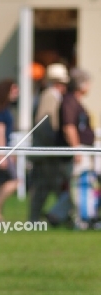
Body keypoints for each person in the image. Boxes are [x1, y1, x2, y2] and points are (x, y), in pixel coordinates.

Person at [48, 68, 96, 229]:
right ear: (81, 84)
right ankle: (81, 219)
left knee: (79, 185)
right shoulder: (69, 101)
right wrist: (77, 150)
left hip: (82, 149)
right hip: (77, 150)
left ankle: (55, 214)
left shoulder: (74, 101)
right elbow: (69, 127)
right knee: (79, 185)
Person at [29, 63, 69, 222]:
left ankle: (34, 219)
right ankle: (61, 215)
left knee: (43, 187)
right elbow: (44, 122)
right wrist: (55, 143)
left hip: (44, 150)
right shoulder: (51, 95)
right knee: (57, 184)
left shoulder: (47, 94)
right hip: (47, 150)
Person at [0, 79, 19, 221]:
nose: (16, 93)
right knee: (14, 181)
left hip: (4, 150)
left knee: (1, 182)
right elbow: (0, 132)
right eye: (13, 90)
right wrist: (2, 154)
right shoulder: (1, 111)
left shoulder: (5, 109)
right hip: (0, 150)